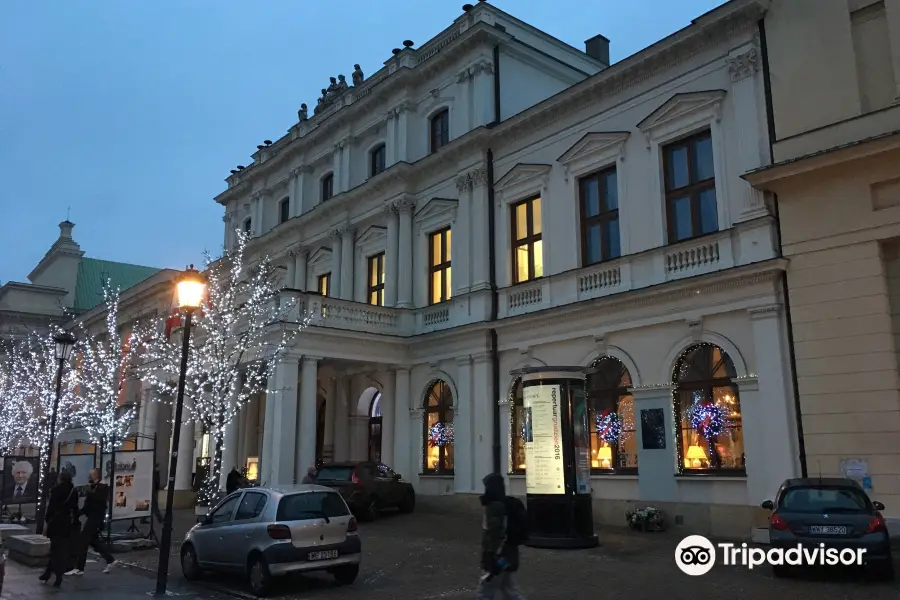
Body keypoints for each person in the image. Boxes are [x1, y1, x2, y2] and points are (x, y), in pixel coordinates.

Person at [478, 473, 526, 600]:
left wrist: (492, 557)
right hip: (508, 555)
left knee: (486, 590)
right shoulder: (504, 504)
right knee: (510, 589)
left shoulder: (495, 507)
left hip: (498, 556)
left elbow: (495, 534)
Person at [67, 468, 116, 576]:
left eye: (91, 474)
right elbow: (87, 507)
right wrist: (77, 513)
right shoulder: (92, 488)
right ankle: (110, 560)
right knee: (93, 542)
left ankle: (79, 568)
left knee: (82, 541)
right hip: (92, 518)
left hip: (96, 519)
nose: (89, 476)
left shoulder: (103, 488)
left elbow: (100, 502)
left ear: (96, 476)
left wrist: (89, 493)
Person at [39, 470, 78, 587]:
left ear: (60, 479)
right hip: (66, 524)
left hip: (56, 523)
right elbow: (74, 508)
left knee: (55, 550)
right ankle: (49, 573)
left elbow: (51, 508)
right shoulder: (73, 491)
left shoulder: (56, 491)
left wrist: (46, 521)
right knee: (60, 550)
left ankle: (56, 575)